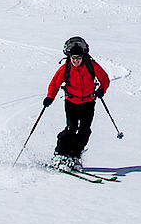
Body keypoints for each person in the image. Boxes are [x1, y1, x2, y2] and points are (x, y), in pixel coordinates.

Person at [42, 36, 110, 169]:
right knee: (71, 128)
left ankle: (74, 156)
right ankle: (60, 154)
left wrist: (102, 90)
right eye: (73, 58)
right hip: (71, 103)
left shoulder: (91, 65)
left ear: (83, 57)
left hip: (88, 103)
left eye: (78, 58)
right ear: (70, 57)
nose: (76, 61)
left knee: (85, 130)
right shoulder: (65, 68)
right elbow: (54, 84)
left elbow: (105, 79)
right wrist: (50, 97)